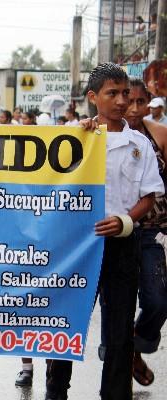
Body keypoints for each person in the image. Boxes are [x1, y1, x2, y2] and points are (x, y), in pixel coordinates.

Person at [44, 63, 163, 400]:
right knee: (65, 321)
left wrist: (126, 221)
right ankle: (56, 392)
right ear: (93, 97)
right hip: (77, 245)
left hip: (122, 243)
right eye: (112, 93)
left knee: (120, 327)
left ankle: (115, 393)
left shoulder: (138, 143)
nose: (122, 100)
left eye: (125, 93)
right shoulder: (70, 135)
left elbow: (149, 194)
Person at [124, 79, 167, 387]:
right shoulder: (104, 134)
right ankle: (124, 357)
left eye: (142, 101)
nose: (135, 109)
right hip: (118, 232)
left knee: (157, 302)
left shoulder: (161, 134)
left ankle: (135, 348)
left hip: (154, 232)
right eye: (130, 100)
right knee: (120, 304)